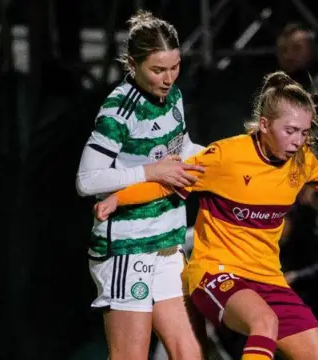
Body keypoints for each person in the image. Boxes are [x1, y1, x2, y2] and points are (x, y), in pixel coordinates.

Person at [93, 71, 318, 359]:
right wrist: (120, 197)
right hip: (216, 274)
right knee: (264, 322)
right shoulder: (226, 157)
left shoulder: (301, 161)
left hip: (267, 278)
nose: (298, 141)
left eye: (304, 133)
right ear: (264, 124)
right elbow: (168, 181)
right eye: (290, 130)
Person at [75, 10, 206, 360]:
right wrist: (151, 172)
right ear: (132, 64)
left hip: (168, 241)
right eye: (158, 70)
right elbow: (86, 180)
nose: (168, 79)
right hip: (127, 249)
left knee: (189, 352)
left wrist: (216, 157)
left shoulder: (173, 96)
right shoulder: (119, 111)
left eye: (174, 67)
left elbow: (180, 147)